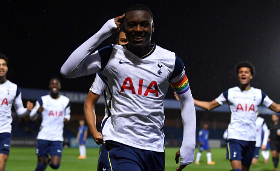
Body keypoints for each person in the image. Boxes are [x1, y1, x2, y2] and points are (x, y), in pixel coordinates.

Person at [61, 4, 196, 171]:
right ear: (123, 27)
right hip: (119, 144)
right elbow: (67, 70)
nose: (138, 29)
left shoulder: (171, 61)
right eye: (132, 24)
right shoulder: (110, 55)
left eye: (144, 24)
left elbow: (187, 100)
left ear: (152, 27)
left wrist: (189, 144)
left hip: (154, 148)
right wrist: (105, 30)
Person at [194, 61, 280, 171]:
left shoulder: (259, 94)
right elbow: (209, 106)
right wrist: (191, 100)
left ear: (251, 76)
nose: (243, 74)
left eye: (246, 72)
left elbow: (277, 108)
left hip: (251, 139)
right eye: (240, 72)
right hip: (235, 137)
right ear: (238, 75)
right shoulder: (230, 93)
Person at [0, 53, 34, 171]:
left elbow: (19, 111)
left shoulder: (14, 88)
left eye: (4, 65)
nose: (1, 67)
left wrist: (27, 110)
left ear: (7, 68)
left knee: (1, 165)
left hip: (4, 132)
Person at [30, 78, 71, 171]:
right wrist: (37, 110)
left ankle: (46, 160)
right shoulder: (42, 100)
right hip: (43, 136)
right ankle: (44, 161)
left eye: (56, 84)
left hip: (57, 137)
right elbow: (32, 116)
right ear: (49, 86)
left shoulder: (65, 101)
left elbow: (68, 114)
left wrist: (66, 118)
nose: (54, 86)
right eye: (52, 84)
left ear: (59, 86)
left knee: (55, 165)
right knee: (40, 166)